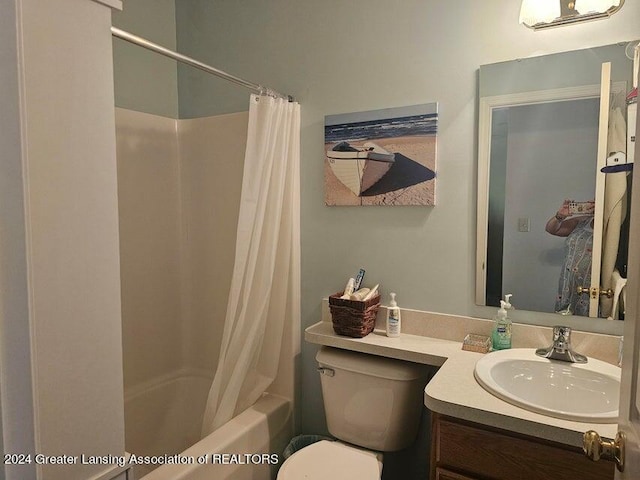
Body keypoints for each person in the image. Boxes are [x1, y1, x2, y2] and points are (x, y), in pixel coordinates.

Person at [546, 199, 595, 316]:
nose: (591, 202)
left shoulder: (608, 227)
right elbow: (551, 229)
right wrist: (560, 216)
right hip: (567, 284)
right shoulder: (582, 221)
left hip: (590, 289)